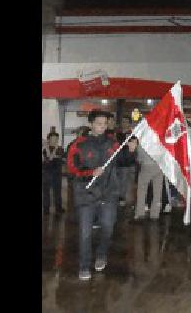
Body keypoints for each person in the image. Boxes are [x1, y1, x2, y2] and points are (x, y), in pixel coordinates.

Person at [66, 111, 136, 281]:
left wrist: (131, 151)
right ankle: (84, 265)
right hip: (86, 195)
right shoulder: (78, 144)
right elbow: (71, 170)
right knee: (85, 232)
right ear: (91, 124)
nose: (102, 126)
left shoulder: (113, 143)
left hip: (109, 193)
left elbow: (123, 161)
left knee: (107, 227)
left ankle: (101, 255)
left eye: (105, 123)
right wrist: (91, 173)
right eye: (99, 123)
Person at [132, 136, 163, 222]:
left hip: (147, 165)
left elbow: (139, 156)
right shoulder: (160, 136)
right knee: (157, 191)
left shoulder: (143, 137)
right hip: (159, 165)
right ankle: (155, 214)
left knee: (142, 189)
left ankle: (140, 213)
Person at [42, 131, 65, 214]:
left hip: (57, 174)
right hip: (46, 173)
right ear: (49, 139)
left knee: (58, 191)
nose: (55, 141)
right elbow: (48, 160)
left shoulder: (60, 149)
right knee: (46, 192)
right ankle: (46, 209)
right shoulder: (44, 149)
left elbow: (61, 157)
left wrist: (53, 152)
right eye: (53, 139)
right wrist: (52, 152)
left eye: (56, 139)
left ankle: (58, 208)